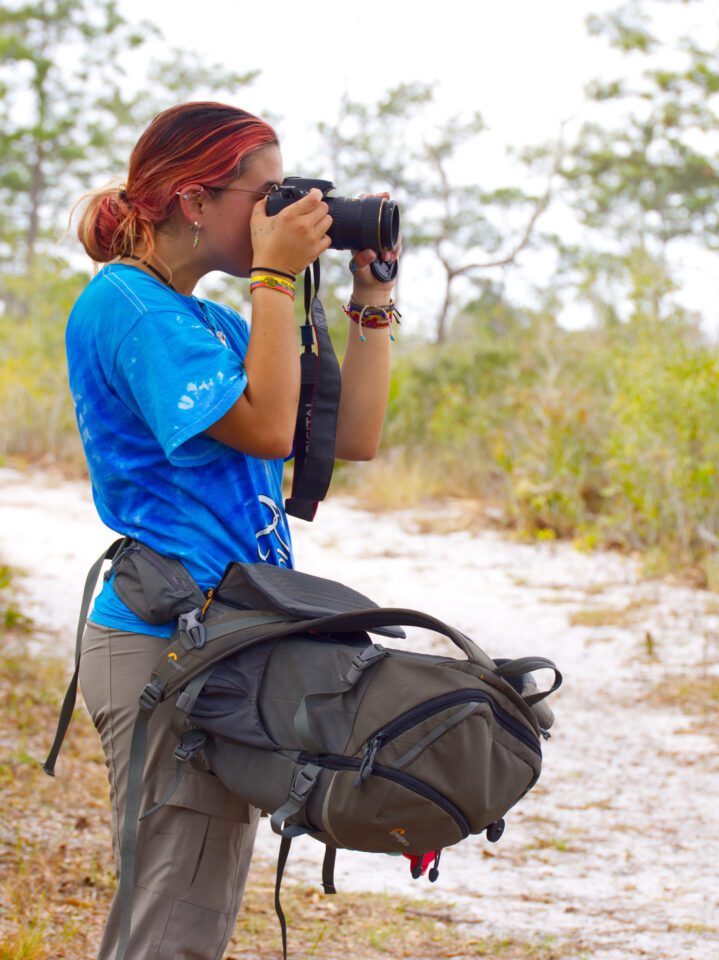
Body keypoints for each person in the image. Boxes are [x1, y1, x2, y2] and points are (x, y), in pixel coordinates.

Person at [66, 101, 398, 960]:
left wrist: (371, 295)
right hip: (164, 644)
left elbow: (348, 437)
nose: (285, 212)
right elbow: (265, 430)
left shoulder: (207, 320)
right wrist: (276, 280)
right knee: (171, 925)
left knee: (191, 917)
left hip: (224, 638)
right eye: (268, 195)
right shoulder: (129, 307)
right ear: (192, 200)